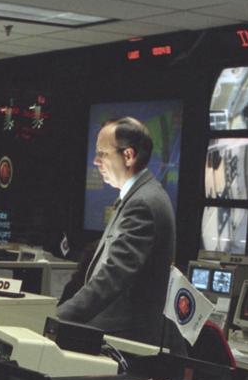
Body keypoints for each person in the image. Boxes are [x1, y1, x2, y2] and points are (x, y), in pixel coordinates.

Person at [56, 117, 176, 346]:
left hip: (124, 342)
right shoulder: (136, 197)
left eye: (102, 153)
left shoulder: (143, 203)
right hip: (114, 336)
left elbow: (111, 278)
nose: (96, 161)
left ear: (128, 156)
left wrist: (57, 318)